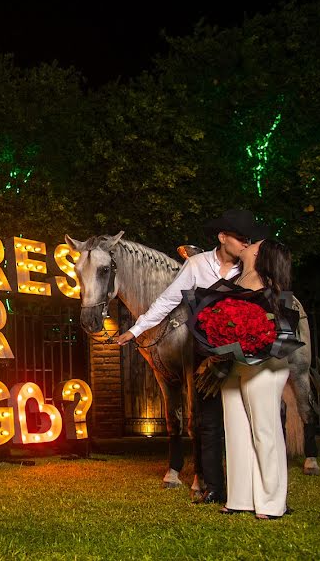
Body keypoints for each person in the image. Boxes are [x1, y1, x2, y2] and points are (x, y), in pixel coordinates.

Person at [115, 209, 270, 504]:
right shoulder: (197, 265)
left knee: (241, 421)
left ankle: (250, 487)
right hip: (205, 353)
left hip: (240, 356)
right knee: (207, 421)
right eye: (240, 238)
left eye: (248, 239)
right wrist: (135, 331)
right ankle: (212, 486)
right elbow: (168, 300)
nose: (244, 244)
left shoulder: (250, 268)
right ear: (222, 237)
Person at [220, 239, 294, 519]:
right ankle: (240, 498)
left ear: (260, 254)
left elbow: (279, 327)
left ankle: (273, 503)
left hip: (265, 364)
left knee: (265, 431)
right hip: (236, 362)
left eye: (254, 244)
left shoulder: (271, 285)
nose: (248, 244)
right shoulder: (237, 278)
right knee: (236, 431)